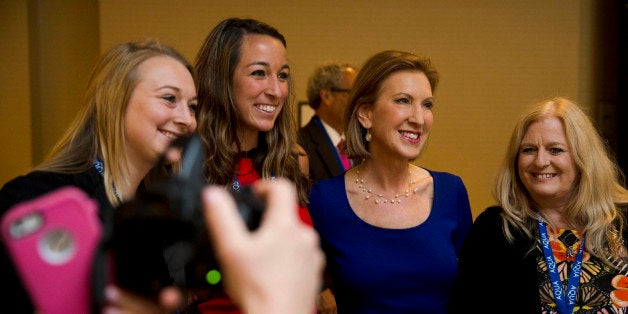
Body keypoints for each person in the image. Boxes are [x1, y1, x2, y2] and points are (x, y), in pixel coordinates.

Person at [0, 41, 198, 312]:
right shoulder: (36, 198)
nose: (188, 120)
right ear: (116, 102)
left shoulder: (151, 219)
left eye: (193, 106)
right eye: (169, 98)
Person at [308, 50, 473, 313]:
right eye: (403, 101)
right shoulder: (325, 200)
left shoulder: (451, 192)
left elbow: (471, 294)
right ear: (366, 114)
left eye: (427, 104)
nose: (418, 119)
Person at [449, 97, 628, 313]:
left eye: (555, 150)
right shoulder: (495, 229)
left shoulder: (622, 222)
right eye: (529, 150)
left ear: (583, 158)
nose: (540, 161)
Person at [192, 17, 313, 312]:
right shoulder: (188, 165)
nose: (276, 90)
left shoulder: (293, 161)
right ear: (221, 79)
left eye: (282, 75)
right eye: (259, 73)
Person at [299, 62, 357, 183]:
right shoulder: (300, 145)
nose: (359, 100)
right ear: (327, 96)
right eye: (352, 93)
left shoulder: (359, 144)